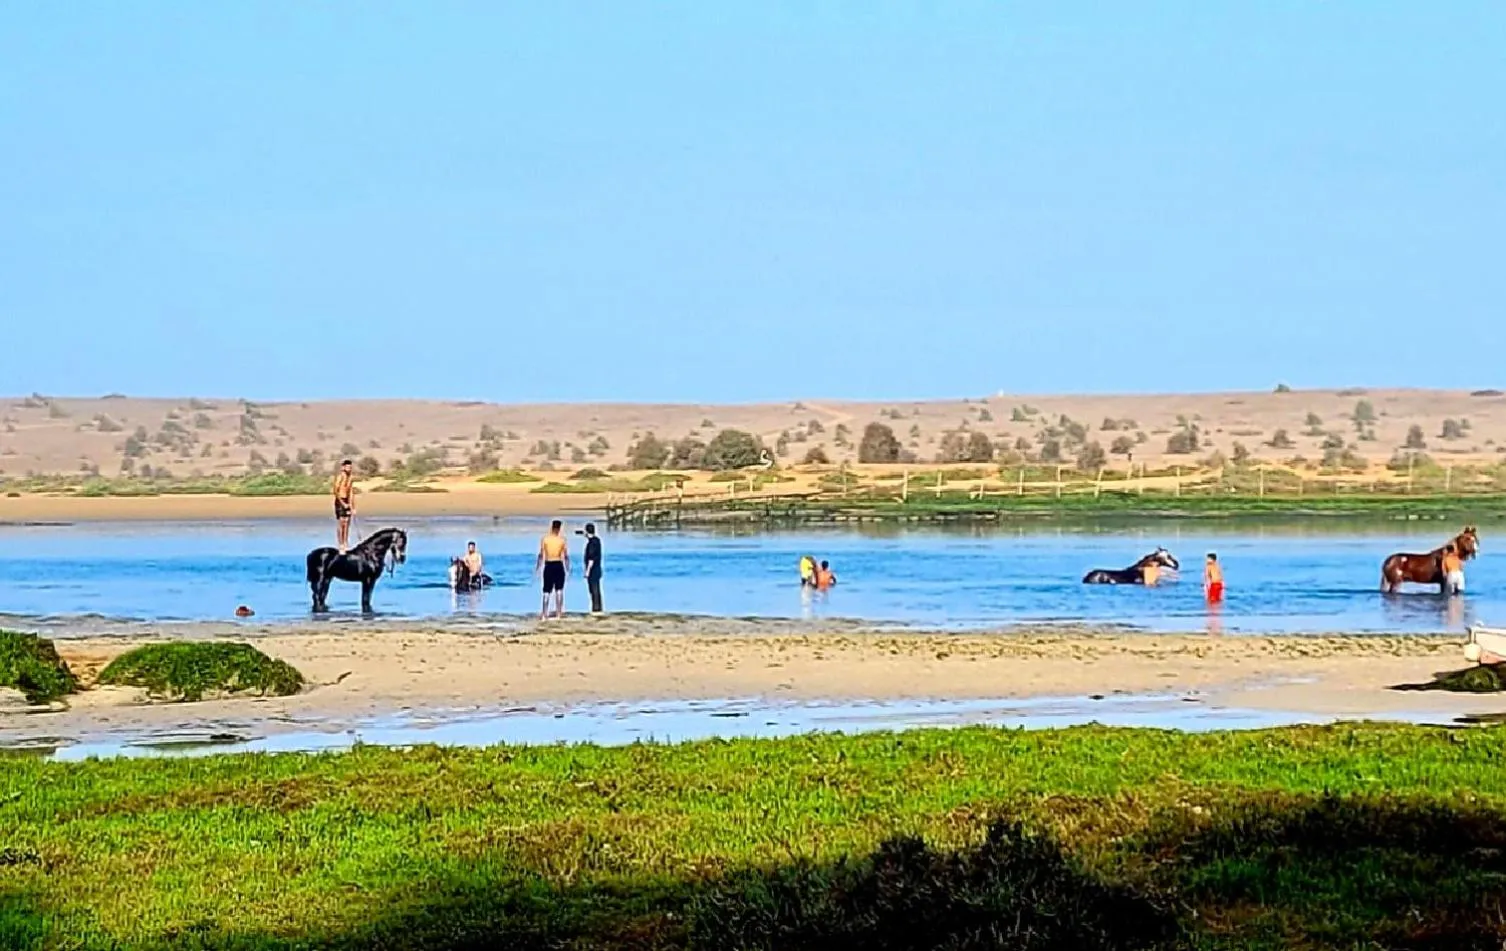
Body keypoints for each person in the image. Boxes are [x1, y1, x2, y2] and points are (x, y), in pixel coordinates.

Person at [536, 519, 570, 619]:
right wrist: (567, 567)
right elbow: (566, 555)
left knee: (546, 590)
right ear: (559, 529)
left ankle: (544, 614)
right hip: (558, 564)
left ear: (552, 527)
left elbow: (541, 554)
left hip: (549, 564)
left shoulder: (545, 539)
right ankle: (559, 614)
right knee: (559, 590)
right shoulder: (562, 540)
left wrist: (538, 567)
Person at [333, 459, 356, 553]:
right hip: (340, 500)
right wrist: (343, 503)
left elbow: (350, 492)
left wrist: (352, 506)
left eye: (350, 467)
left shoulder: (350, 478)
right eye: (347, 467)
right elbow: (335, 491)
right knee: (341, 523)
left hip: (347, 500)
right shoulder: (340, 477)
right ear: (343, 467)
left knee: (347, 523)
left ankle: (345, 542)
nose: (349, 469)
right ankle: (340, 544)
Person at [581, 523, 604, 613]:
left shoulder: (592, 543)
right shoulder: (597, 540)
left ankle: (596, 608)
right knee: (596, 589)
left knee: (593, 589)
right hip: (597, 568)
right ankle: (598, 608)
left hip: (593, 569)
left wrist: (587, 571)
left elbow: (591, 558)